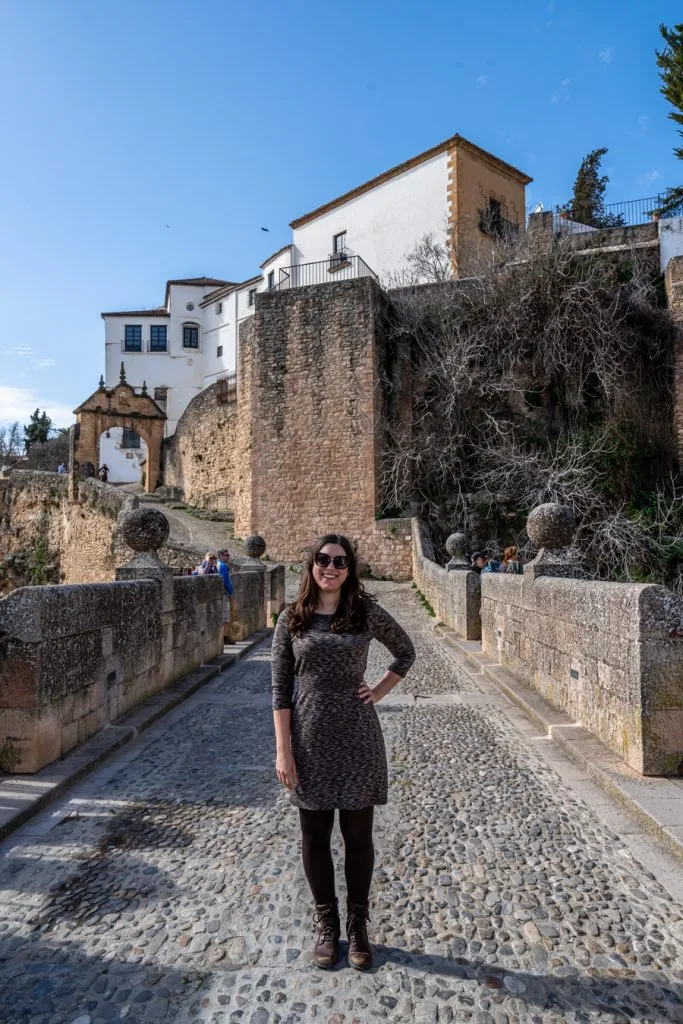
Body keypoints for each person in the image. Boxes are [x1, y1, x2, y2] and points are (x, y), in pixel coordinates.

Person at [271, 533, 415, 972]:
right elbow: (280, 689)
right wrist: (283, 751)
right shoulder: (292, 619)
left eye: (339, 561)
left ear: (350, 569)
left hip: (358, 739)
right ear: (311, 565)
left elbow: (405, 652)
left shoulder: (364, 612)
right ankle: (326, 924)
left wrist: (379, 690)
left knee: (357, 837)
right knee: (313, 835)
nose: (330, 567)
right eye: (322, 559)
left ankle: (358, 926)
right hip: (309, 740)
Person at [216, 548, 235, 646]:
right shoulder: (222, 566)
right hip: (224, 594)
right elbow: (226, 582)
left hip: (218, 594)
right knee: (226, 617)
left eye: (228, 555)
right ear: (220, 556)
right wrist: (231, 593)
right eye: (226, 555)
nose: (228, 557)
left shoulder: (217, 564)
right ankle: (225, 638)